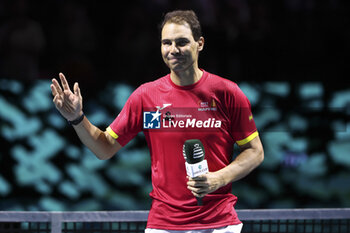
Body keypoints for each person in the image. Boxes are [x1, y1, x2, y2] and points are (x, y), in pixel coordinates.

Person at [51, 10, 264, 233]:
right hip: (164, 225)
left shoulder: (227, 93)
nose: (173, 50)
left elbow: (254, 151)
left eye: (182, 42)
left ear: (199, 43)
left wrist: (219, 178)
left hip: (219, 224)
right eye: (166, 43)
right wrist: (77, 118)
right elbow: (104, 148)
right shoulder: (146, 97)